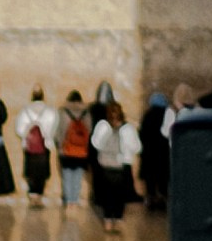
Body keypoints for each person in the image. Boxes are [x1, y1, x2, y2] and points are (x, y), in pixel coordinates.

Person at [90, 98, 140, 233]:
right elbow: (136, 147)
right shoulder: (128, 128)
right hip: (122, 165)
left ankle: (107, 221)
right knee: (120, 195)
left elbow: (95, 143)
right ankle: (118, 220)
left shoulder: (102, 125)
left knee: (107, 193)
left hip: (106, 165)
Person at [16, 87, 58, 202]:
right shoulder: (49, 111)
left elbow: (19, 130)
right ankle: (40, 193)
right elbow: (53, 129)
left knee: (30, 171)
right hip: (44, 147)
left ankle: (32, 193)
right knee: (42, 172)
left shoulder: (25, 111)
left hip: (29, 148)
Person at [138, 89, 172, 214]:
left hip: (149, 153)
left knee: (150, 179)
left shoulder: (148, 115)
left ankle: (151, 198)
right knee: (163, 178)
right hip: (163, 153)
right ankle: (162, 199)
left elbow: (142, 134)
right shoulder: (167, 115)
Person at [57, 92, 92, 209]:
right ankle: (75, 199)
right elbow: (89, 130)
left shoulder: (63, 112)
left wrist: (60, 146)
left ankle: (68, 201)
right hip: (81, 150)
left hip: (66, 149)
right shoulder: (86, 113)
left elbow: (60, 131)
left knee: (67, 176)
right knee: (78, 176)